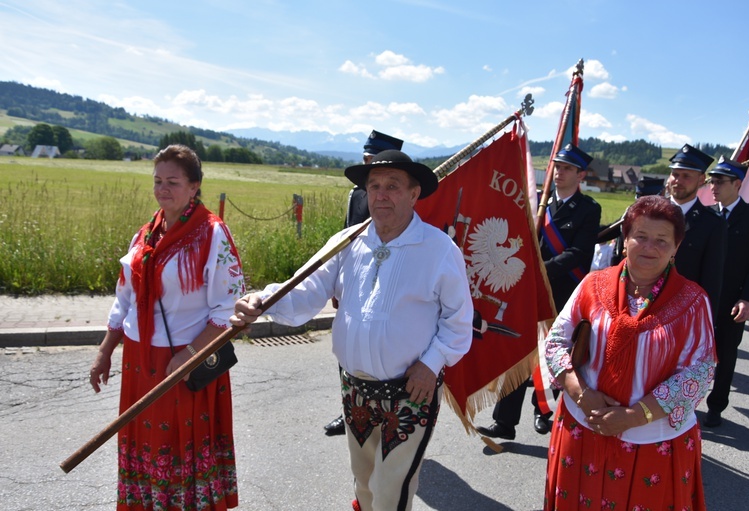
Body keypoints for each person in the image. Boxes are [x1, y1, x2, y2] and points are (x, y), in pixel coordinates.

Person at [231, 149, 473, 511]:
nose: (380, 195)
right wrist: (261, 302)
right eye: (374, 186)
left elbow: (458, 320)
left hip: (410, 392)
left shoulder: (439, 249)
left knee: (392, 491)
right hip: (355, 390)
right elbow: (304, 288)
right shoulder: (347, 242)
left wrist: (432, 362)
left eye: (392, 186)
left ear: (414, 194)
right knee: (365, 484)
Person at [90, 144, 245, 510]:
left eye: (173, 182)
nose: (163, 189)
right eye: (157, 180)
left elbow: (229, 308)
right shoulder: (146, 235)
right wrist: (104, 351)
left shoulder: (212, 234)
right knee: (143, 446)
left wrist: (190, 355)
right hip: (139, 362)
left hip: (182, 363)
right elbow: (124, 299)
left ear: (194, 186)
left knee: (177, 446)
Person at [543, 195, 715, 511]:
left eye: (662, 240)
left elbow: (699, 373)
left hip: (654, 440)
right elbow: (555, 342)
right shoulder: (593, 284)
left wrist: (635, 415)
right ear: (625, 239)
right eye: (641, 236)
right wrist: (582, 395)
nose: (650, 247)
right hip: (584, 425)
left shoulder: (693, 301)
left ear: (676, 247)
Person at [478, 143, 601, 440]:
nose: (559, 172)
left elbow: (580, 253)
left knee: (552, 354)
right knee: (519, 352)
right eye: (557, 167)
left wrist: (542, 269)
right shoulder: (538, 203)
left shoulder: (588, 209)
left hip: (562, 292)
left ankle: (542, 411)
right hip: (529, 290)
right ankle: (504, 422)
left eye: (567, 168)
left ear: (580, 174)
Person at [325, 129, 405, 437]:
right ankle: (350, 412)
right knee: (349, 349)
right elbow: (346, 240)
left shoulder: (398, 199)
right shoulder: (357, 194)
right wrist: (337, 283)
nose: (365, 160)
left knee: (380, 350)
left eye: (370, 157)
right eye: (364, 155)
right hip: (355, 283)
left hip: (386, 286)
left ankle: (385, 415)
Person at [704, 156, 749, 427]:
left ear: (737, 184)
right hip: (702, 298)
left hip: (733, 299)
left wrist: (748, 299)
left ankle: (716, 406)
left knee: (726, 355)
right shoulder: (707, 215)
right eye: (711, 181)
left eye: (719, 182)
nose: (713, 186)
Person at [666, 144, 727, 320]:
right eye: (675, 174)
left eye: (686, 176)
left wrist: (705, 320)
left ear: (701, 180)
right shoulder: (649, 213)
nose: (678, 180)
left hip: (684, 312)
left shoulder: (713, 223)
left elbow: (712, 279)